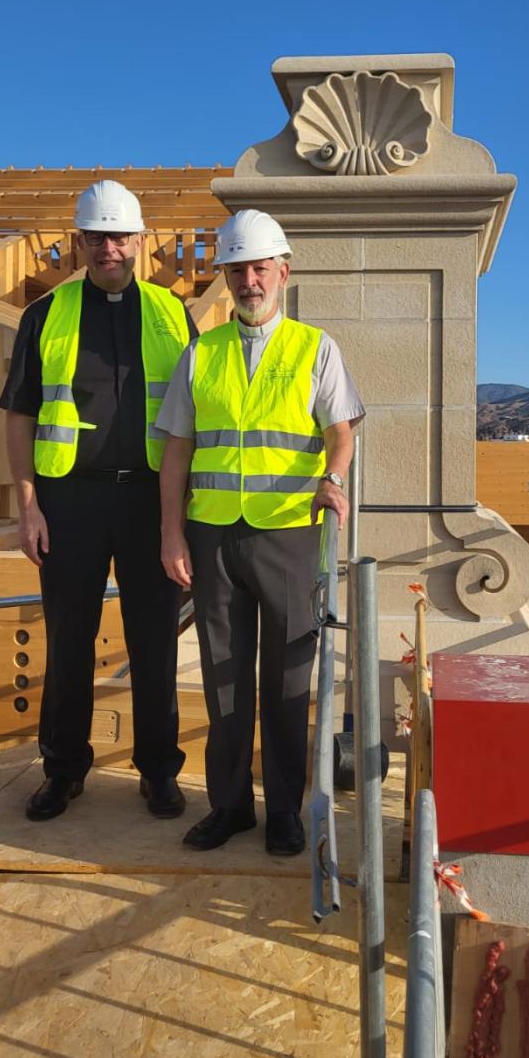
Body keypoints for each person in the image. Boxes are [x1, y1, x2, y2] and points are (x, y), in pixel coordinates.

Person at [158, 209, 364, 855]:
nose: (248, 281)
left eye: (258, 268)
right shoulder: (202, 352)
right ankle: (228, 807)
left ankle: (283, 812)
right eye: (237, 270)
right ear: (225, 276)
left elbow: (340, 432)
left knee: (286, 682)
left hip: (287, 534)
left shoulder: (314, 347)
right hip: (213, 535)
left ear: (282, 272)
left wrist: (333, 478)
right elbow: (177, 449)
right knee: (223, 678)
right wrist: (171, 533)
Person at [0, 179, 194, 821]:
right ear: (78, 241)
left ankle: (159, 772)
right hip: (69, 503)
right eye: (96, 237)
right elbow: (20, 414)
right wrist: (28, 506)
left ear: (139, 240)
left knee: (155, 642)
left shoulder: (172, 313)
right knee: (68, 642)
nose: (108, 247)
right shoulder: (44, 314)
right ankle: (62, 770)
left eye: (119, 236)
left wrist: (180, 516)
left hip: (150, 502)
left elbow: (196, 414)